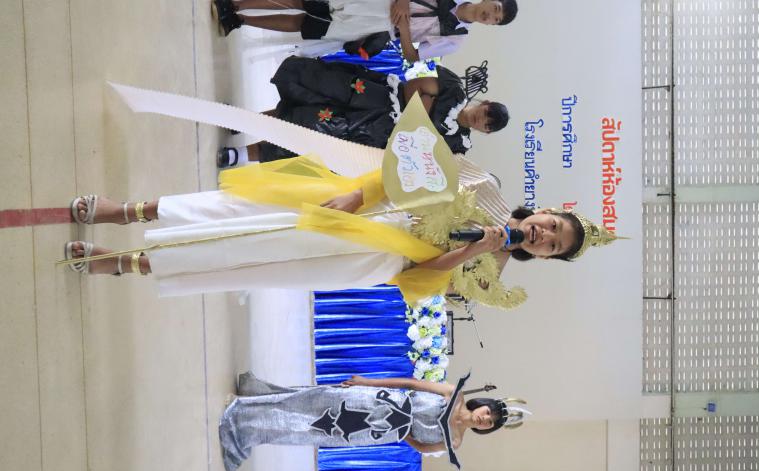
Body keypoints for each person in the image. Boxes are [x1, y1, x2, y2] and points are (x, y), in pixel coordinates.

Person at [63, 153, 614, 308]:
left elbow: (416, 283)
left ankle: (121, 263)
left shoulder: (490, 276)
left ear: (546, 258)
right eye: (552, 226)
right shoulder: (484, 182)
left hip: (365, 259)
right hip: (357, 206)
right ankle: (124, 211)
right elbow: (408, 168)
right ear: (545, 210)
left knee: (251, 258)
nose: (544, 235)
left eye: (554, 245)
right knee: (235, 209)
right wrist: (356, 195)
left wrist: (470, 254)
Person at [218, 56, 507, 168]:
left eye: (487, 125)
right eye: (487, 114)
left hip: (372, 135)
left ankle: (240, 155)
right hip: (374, 94)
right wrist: (417, 113)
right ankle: (245, 121)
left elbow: (421, 157)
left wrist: (419, 113)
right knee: (311, 100)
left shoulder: (458, 145)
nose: (482, 120)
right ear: (485, 103)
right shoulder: (454, 86)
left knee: (309, 131)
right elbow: (415, 72)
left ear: (485, 132)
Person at [218, 371, 528, 471]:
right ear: (484, 405)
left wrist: (401, 431)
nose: (485, 419)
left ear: (486, 429)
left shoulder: (455, 441)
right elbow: (411, 384)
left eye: (490, 423)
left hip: (377, 431)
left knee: (312, 430)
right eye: (489, 413)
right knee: (312, 400)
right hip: (375, 401)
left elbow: (423, 447)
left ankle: (248, 426)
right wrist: (368, 382)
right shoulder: (453, 393)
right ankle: (250, 402)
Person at [212, 0, 518, 62]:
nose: (490, 15)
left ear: (492, 26)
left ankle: (240, 21)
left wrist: (404, 30)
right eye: (495, 8)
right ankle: (235, 4)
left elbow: (413, 58)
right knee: (302, 1)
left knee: (304, 24)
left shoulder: (456, 40)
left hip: (377, 27)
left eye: (495, 19)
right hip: (378, 1)